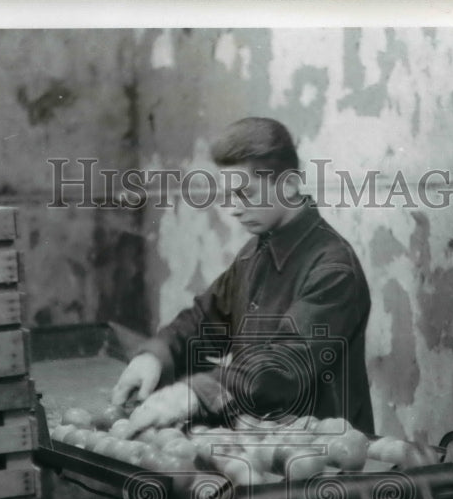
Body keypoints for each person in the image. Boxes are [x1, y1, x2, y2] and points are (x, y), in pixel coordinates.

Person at [112, 117, 374, 435]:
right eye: (228, 196)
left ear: (289, 184)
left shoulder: (333, 269)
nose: (233, 209)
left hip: (325, 458)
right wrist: (155, 357)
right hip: (260, 446)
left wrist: (193, 393)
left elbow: (281, 367)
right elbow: (201, 320)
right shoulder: (253, 255)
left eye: (245, 194)